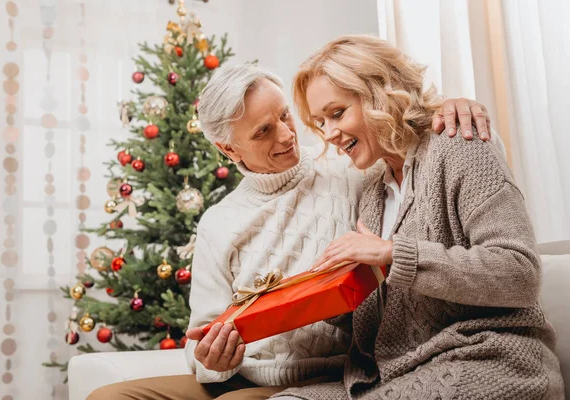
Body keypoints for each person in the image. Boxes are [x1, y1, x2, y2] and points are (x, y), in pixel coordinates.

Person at [86, 63, 494, 399]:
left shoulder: (349, 173)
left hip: (319, 376)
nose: (286, 135)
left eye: (284, 116)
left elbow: (408, 147)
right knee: (107, 398)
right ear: (229, 149)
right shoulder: (218, 220)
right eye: (263, 131)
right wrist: (209, 359)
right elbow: (202, 331)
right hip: (237, 374)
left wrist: (447, 107)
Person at [273, 35, 564, 400]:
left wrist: (393, 253)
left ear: (379, 93)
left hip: (491, 360)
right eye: (320, 122)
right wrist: (322, 302)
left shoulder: (461, 146)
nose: (329, 134)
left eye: (337, 113)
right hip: (398, 374)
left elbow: (519, 272)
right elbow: (394, 314)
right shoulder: (372, 191)